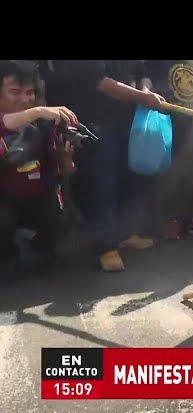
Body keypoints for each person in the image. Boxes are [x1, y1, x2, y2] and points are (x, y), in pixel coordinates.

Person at [41, 61, 164, 272]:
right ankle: (106, 246)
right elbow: (100, 82)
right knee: (103, 183)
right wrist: (142, 97)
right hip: (95, 122)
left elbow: (141, 70)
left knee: (127, 179)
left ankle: (124, 234)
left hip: (126, 119)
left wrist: (145, 89)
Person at [0, 60, 78, 276]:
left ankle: (36, 249)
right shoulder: (35, 116)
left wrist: (65, 159)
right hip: (5, 203)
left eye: (30, 92)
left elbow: (64, 172)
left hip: (35, 200)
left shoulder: (42, 126)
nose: (25, 99)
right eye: (15, 92)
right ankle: (7, 252)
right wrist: (38, 111)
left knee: (60, 220)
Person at [144, 60, 193, 239]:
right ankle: (166, 221)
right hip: (166, 125)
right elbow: (146, 83)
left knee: (191, 174)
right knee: (166, 176)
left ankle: (188, 219)